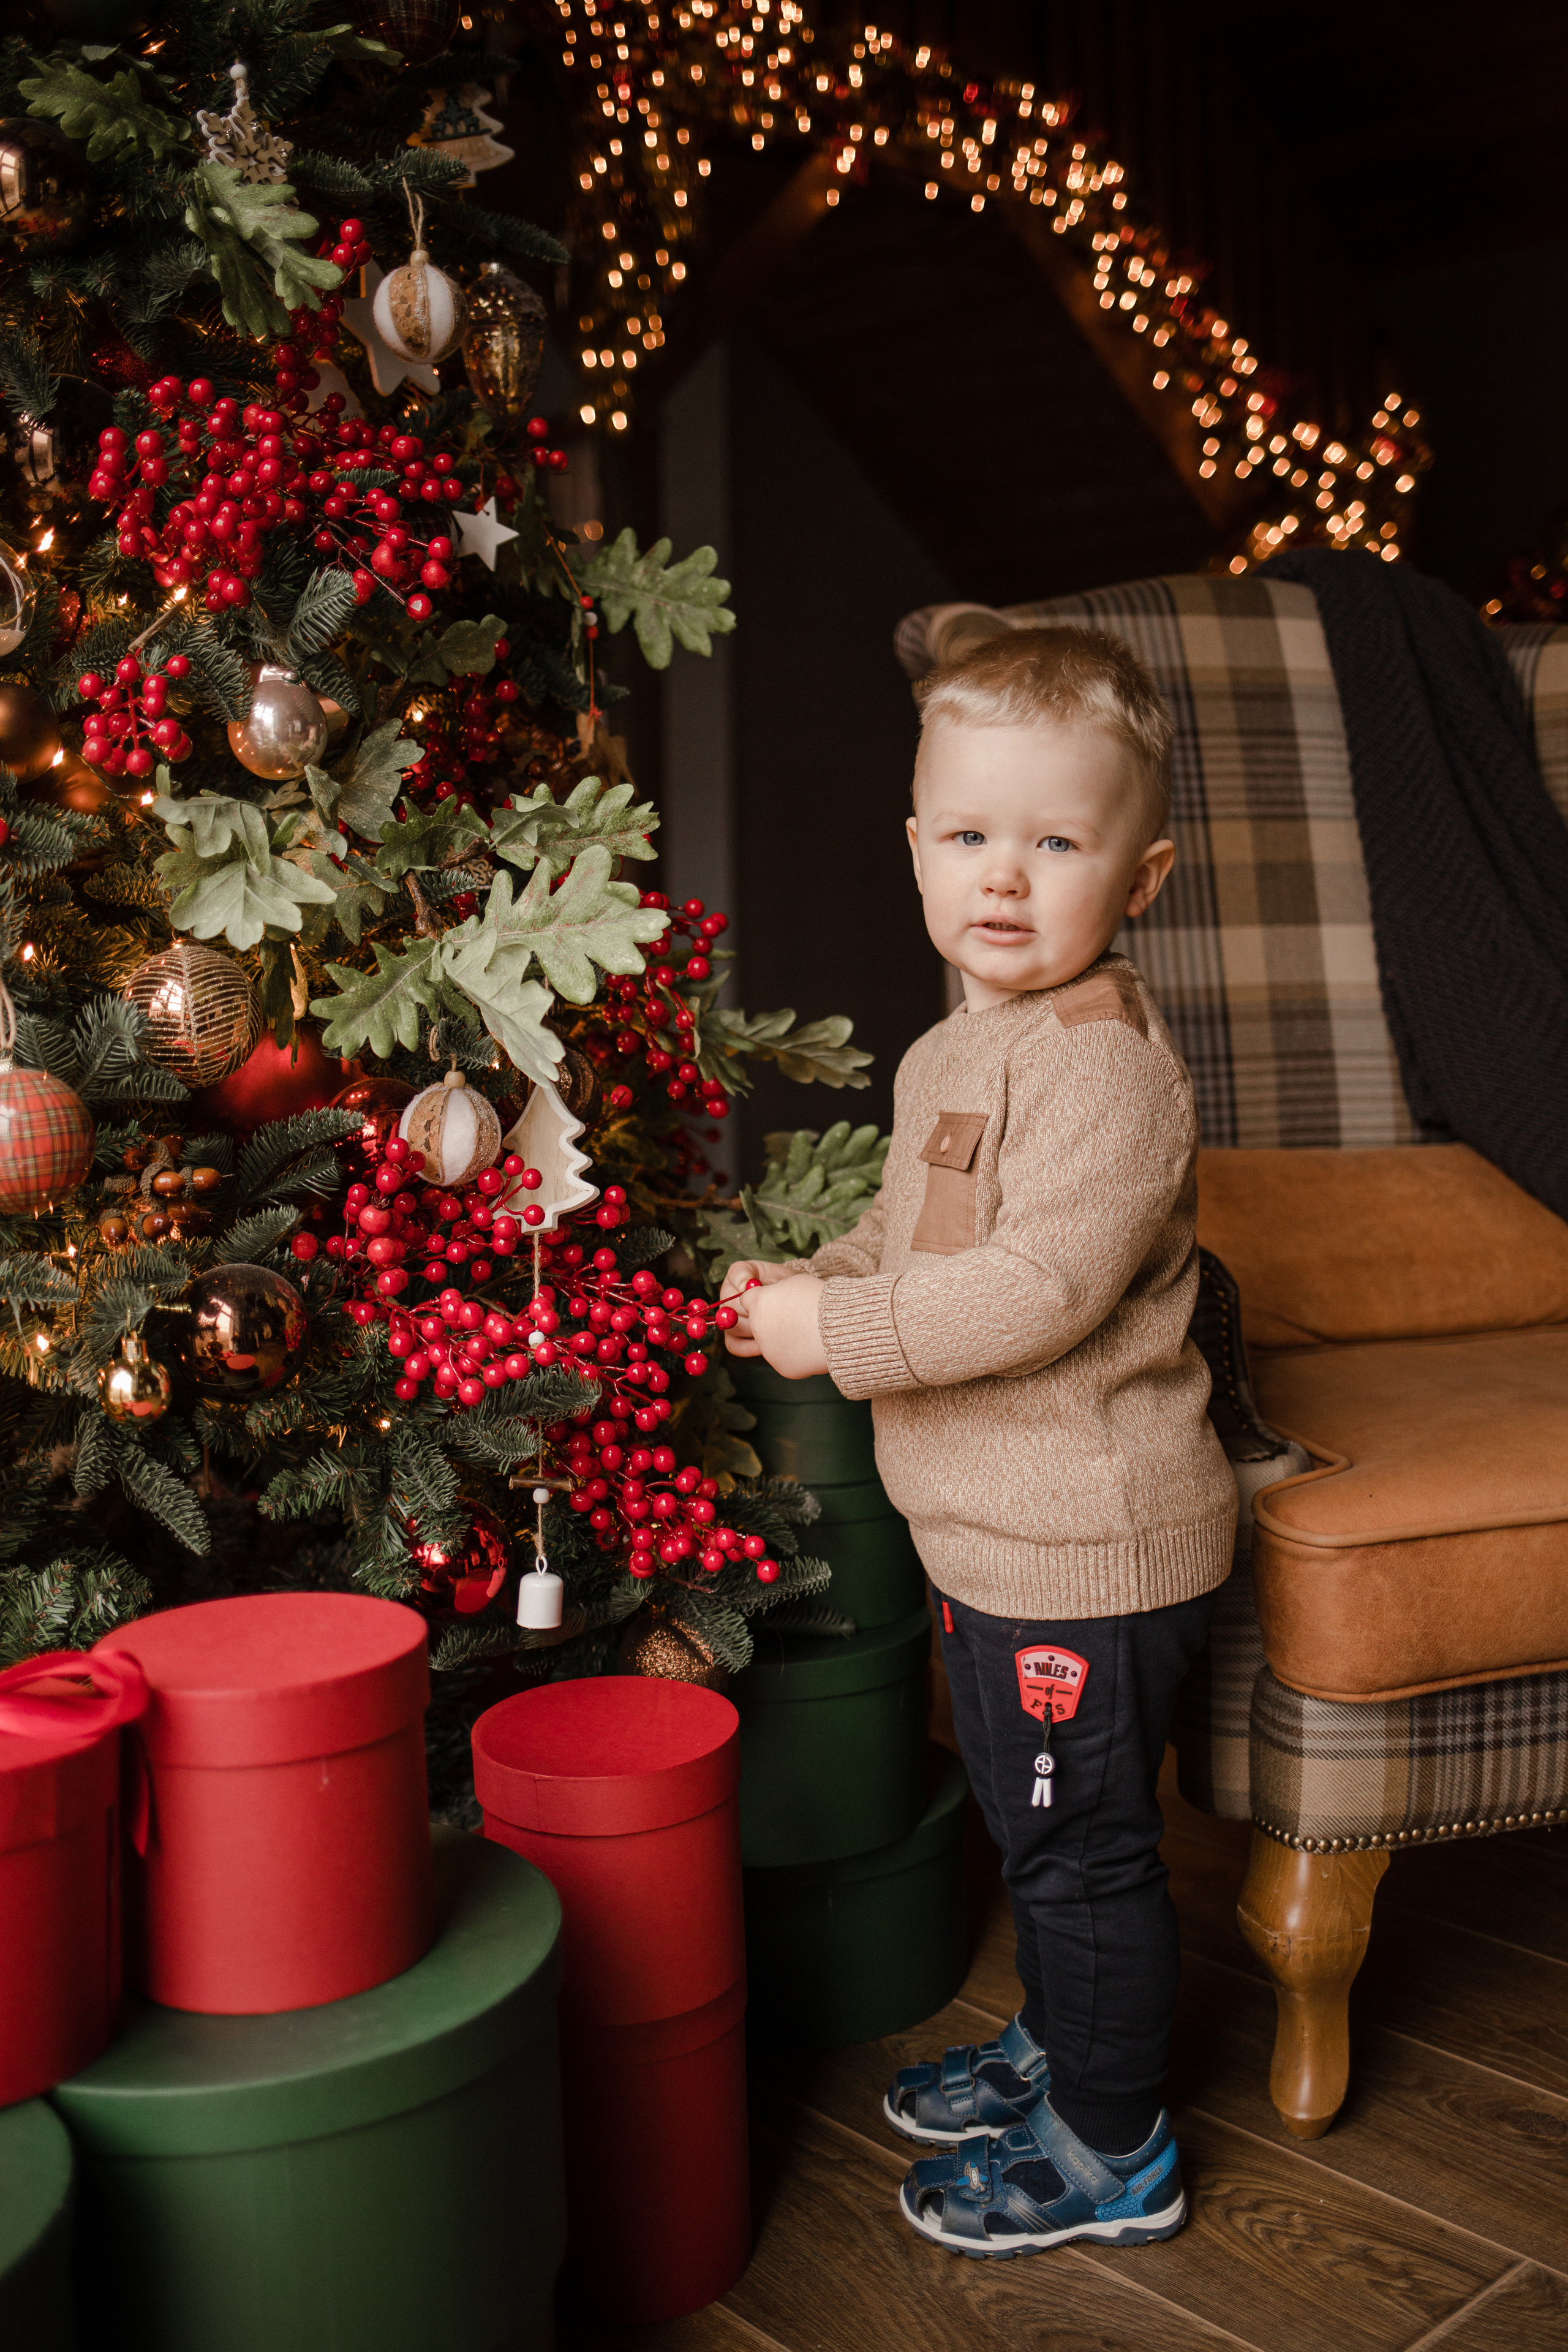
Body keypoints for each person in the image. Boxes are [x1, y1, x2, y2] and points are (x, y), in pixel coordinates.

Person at [721, 625, 1236, 2259]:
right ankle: (1068, 2040)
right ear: (917, 849)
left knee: (1081, 1852)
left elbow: (1036, 1291)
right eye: (969, 833)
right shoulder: (954, 1048)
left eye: (1058, 842)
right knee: (1036, 1828)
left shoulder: (1106, 1071)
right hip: (993, 1541)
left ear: (1141, 879)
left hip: (1089, 1546)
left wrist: (844, 1338)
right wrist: (813, 1285)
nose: (1004, 876)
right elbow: (913, 1238)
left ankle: (1115, 2143)